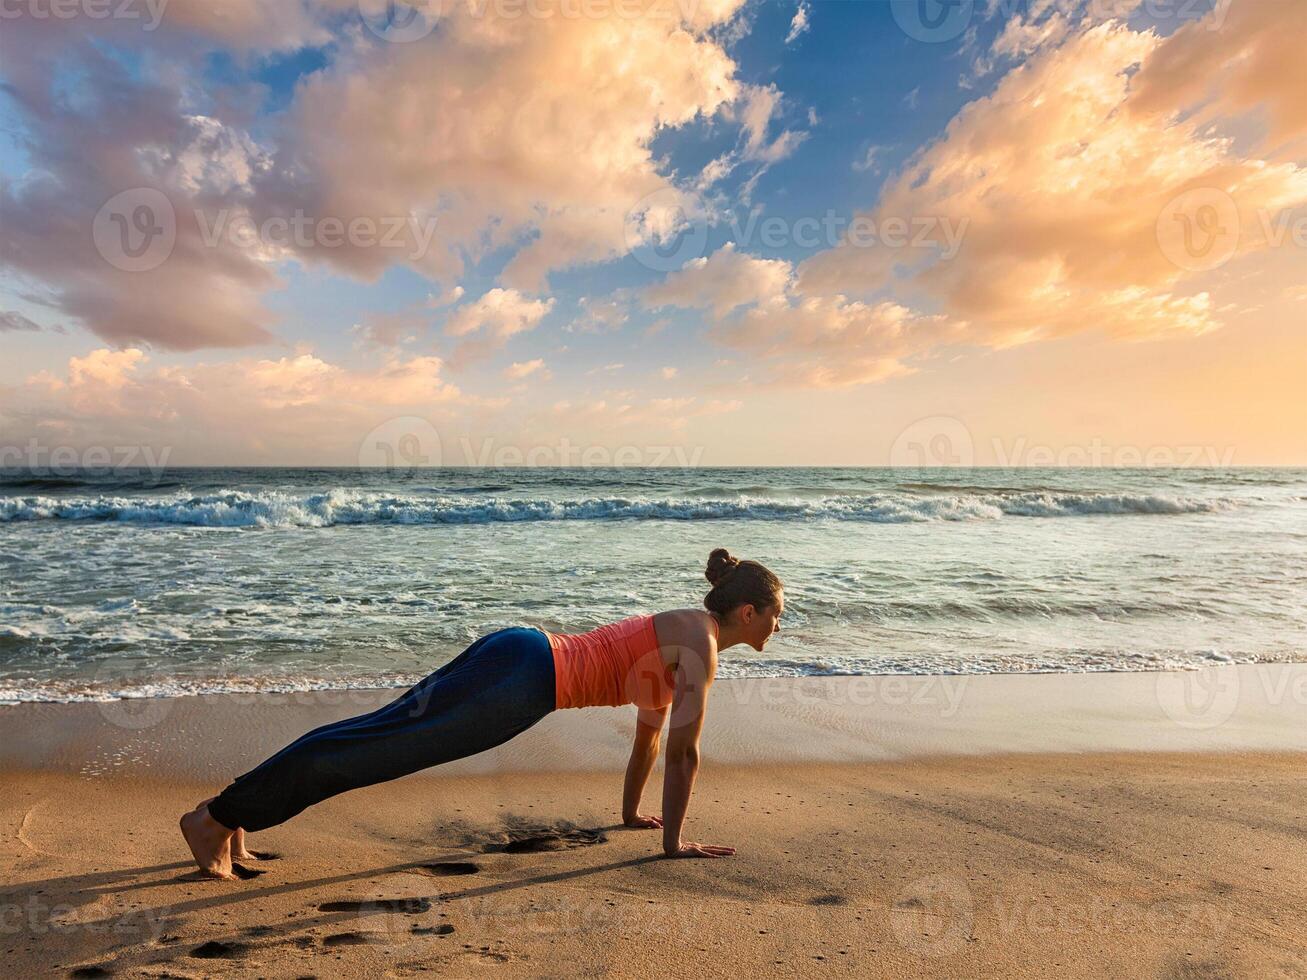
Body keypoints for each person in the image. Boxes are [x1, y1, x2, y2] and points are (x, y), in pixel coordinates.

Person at [180, 547, 784, 879]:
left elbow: (651, 743)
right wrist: (675, 846)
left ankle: (235, 817)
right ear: (748, 612)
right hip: (523, 681)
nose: (780, 626)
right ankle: (215, 818)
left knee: (373, 735)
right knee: (375, 749)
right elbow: (685, 753)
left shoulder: (682, 636)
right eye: (776, 614)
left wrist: (633, 817)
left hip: (521, 651)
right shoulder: (700, 648)